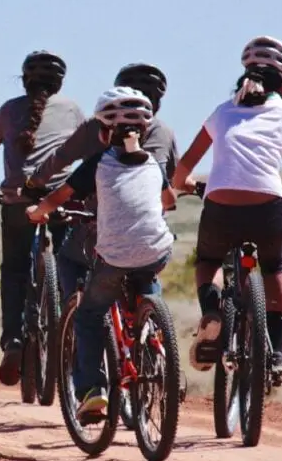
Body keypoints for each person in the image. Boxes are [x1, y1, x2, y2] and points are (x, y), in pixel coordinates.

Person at [171, 35, 282, 385]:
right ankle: (278, 354)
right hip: (269, 205)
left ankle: (211, 313)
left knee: (209, 260)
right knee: (274, 266)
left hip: (221, 204)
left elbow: (180, 171)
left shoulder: (222, 112)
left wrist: (190, 187)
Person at [27, 87, 175, 419]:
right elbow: (170, 202)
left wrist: (38, 211)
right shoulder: (152, 161)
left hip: (113, 256)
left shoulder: (98, 162)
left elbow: (60, 196)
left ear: (106, 130)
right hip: (157, 251)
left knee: (90, 314)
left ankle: (93, 391)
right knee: (146, 274)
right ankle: (156, 338)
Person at [0, 50, 85, 386]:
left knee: (14, 270)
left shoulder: (9, 109)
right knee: (70, 265)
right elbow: (90, 151)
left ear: (25, 79)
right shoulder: (72, 109)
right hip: (60, 202)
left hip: (17, 203)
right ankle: (72, 337)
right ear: (59, 83)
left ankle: (13, 341)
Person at [26, 62, 177, 301]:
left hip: (99, 229)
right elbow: (171, 189)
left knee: (70, 259)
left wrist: (33, 184)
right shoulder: (164, 136)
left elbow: (60, 160)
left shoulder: (97, 138)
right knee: (147, 273)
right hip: (152, 239)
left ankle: (74, 324)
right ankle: (152, 318)